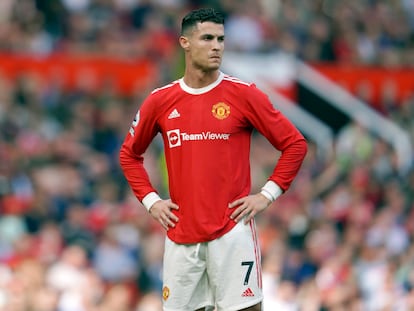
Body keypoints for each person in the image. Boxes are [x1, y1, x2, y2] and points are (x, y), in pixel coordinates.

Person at [119, 7, 307, 311]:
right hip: (182, 237)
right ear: (185, 43)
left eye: (221, 39)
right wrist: (151, 201)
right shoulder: (160, 100)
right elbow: (129, 154)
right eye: (207, 38)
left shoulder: (244, 94)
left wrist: (267, 195)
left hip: (232, 233)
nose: (216, 45)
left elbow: (295, 144)